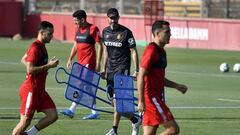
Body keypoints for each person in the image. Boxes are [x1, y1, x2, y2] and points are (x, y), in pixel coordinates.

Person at [137, 20, 188, 135]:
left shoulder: (162, 51)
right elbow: (141, 76)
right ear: (157, 33)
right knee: (173, 129)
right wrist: (141, 101)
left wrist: (176, 86)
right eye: (167, 32)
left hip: (155, 97)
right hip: (151, 99)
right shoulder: (151, 51)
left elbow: (158, 78)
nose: (170, 34)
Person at [12, 21, 59, 135]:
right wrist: (49, 66)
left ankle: (29, 134)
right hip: (31, 90)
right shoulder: (35, 48)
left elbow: (24, 59)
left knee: (53, 115)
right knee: (24, 122)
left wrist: (43, 68)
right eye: (49, 33)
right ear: (42, 32)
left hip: (40, 90)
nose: (52, 36)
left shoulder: (41, 46)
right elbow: (30, 69)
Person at [101, 8, 141, 135]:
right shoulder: (105, 32)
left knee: (118, 100)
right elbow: (106, 51)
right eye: (110, 18)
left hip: (122, 69)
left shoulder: (126, 32)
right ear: (107, 18)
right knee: (113, 101)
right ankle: (135, 119)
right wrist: (103, 68)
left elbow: (133, 51)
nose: (113, 20)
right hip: (110, 71)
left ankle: (114, 129)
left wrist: (137, 70)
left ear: (118, 18)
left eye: (115, 18)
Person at [61, 9, 103, 119]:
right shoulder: (78, 30)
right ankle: (94, 112)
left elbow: (100, 45)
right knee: (87, 87)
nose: (74, 22)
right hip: (80, 63)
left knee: (80, 84)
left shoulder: (93, 29)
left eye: (76, 20)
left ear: (83, 19)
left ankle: (72, 109)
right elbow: (75, 45)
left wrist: (98, 62)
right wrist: (70, 59)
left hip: (89, 62)